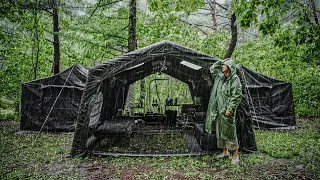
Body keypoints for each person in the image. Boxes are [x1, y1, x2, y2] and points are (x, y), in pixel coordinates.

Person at [205, 58, 242, 165]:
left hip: (227, 111)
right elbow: (212, 68)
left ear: (229, 67)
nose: (222, 66)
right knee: (220, 132)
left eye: (224, 65)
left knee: (230, 133)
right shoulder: (219, 77)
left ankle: (235, 155)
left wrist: (230, 109)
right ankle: (225, 152)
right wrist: (221, 61)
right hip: (218, 110)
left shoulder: (234, 79)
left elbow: (236, 95)